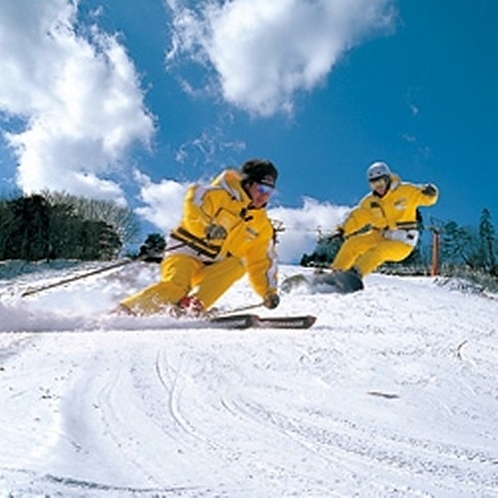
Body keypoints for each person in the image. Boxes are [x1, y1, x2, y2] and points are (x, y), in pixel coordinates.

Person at [119, 159, 280, 316]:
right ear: (248, 183)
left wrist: (268, 292)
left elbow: (261, 260)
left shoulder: (261, 225)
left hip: (214, 263)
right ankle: (126, 311)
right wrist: (207, 228)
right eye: (261, 189)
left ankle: (192, 306)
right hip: (186, 252)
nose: (264, 196)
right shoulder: (215, 194)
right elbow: (194, 209)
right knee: (176, 288)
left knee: (238, 264)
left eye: (268, 192)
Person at [329, 161, 438, 286]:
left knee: (378, 251)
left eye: (380, 182)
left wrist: (431, 193)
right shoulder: (370, 201)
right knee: (352, 243)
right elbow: (358, 217)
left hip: (403, 241)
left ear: (387, 179)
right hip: (380, 235)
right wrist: (343, 229)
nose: (378, 187)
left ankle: (354, 275)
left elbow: (425, 197)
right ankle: (335, 274)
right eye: (374, 184)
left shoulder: (405, 191)